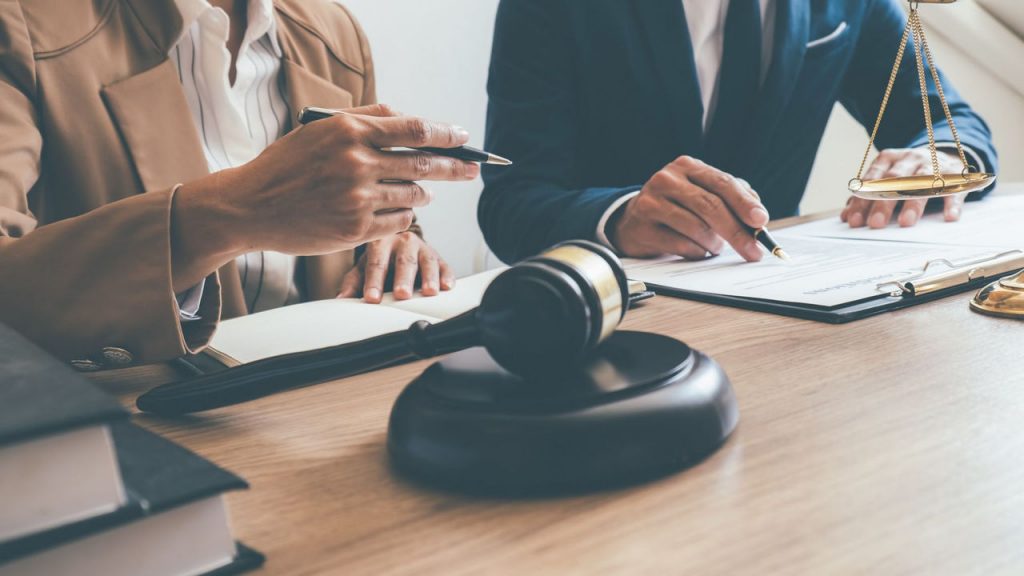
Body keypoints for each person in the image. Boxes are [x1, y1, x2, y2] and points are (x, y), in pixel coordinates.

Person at [0, 0, 480, 368]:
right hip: (134, 430)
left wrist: (391, 241)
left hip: (319, 406)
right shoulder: (21, 24)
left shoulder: (332, 32)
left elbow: (353, 201)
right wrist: (231, 214)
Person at [479, 0, 997, 264]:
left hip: (789, 303)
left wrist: (944, 157)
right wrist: (620, 217)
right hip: (622, 320)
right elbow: (512, 203)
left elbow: (949, 123)